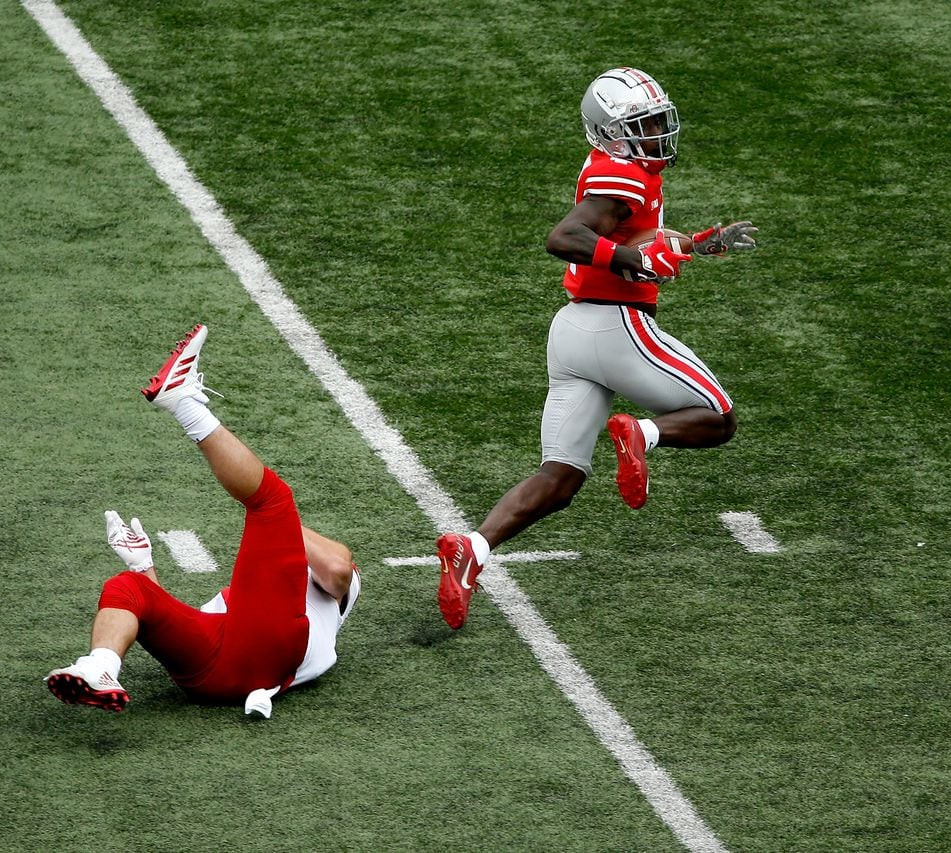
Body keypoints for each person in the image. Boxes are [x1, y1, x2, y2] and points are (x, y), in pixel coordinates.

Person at [436, 67, 758, 630]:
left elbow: (634, 237)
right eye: (646, 122)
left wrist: (697, 245)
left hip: (573, 333)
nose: (658, 131)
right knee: (718, 418)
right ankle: (644, 433)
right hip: (616, 327)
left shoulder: (623, 174)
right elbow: (565, 238)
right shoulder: (620, 175)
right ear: (610, 130)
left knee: (559, 477)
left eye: (659, 120)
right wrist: (635, 262)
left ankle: (473, 550)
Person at [46, 324, 361, 716]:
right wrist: (145, 568)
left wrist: (279, 526)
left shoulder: (326, 598)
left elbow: (336, 568)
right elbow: (173, 625)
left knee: (272, 501)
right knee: (128, 588)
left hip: (266, 659)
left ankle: (182, 402)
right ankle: (100, 667)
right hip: (212, 675)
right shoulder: (256, 604)